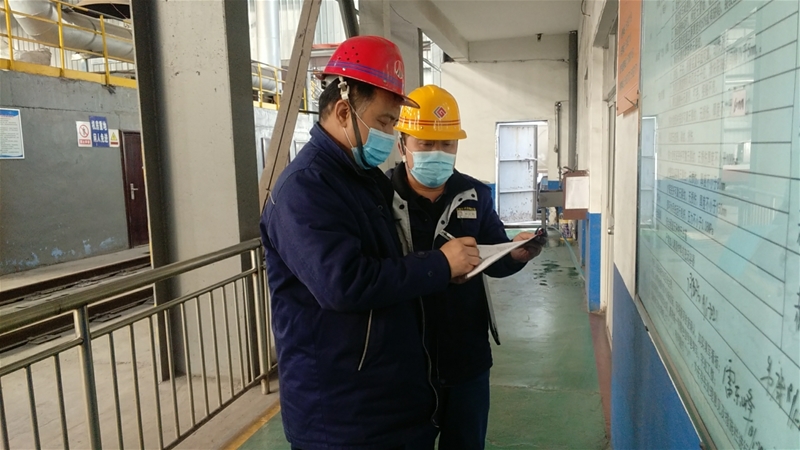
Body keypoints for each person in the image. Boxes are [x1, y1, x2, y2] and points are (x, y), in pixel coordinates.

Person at [259, 37, 480, 450]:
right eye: (383, 121)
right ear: (344, 111)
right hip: (342, 416)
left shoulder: (364, 179)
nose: (389, 134)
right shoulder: (304, 189)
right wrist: (438, 265)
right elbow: (344, 284)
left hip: (387, 398)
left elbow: (387, 259)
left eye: (393, 123)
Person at [388, 85, 543, 450]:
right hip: (401, 359)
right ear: (403, 145)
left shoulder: (476, 195)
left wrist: (517, 254)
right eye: (426, 144)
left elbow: (495, 258)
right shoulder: (380, 198)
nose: (437, 153)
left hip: (465, 355)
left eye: (447, 144)